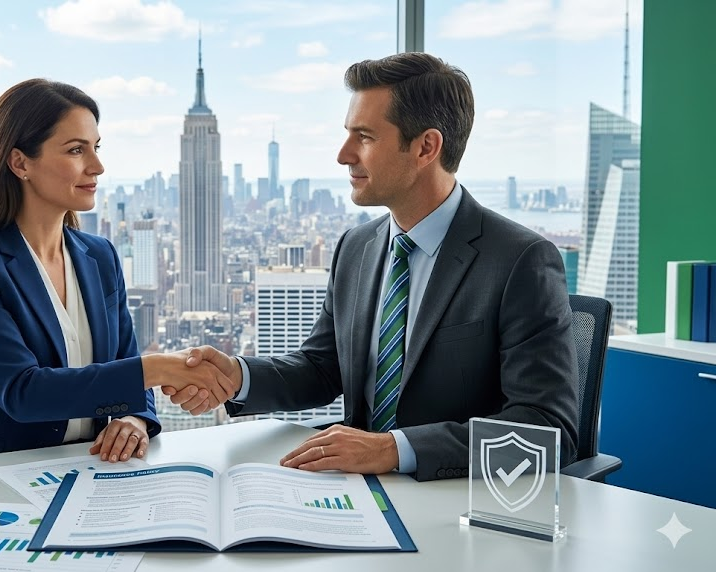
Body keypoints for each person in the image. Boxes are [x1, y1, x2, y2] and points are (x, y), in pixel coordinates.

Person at [168, 53, 579, 481]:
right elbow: (323, 368)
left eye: (363, 137)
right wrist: (239, 376)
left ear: (425, 147)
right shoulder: (357, 246)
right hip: (355, 496)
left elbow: (547, 428)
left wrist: (392, 449)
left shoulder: (519, 261)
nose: (343, 155)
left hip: (452, 507)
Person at [0, 79, 234, 462]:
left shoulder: (100, 255)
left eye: (95, 147)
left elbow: (126, 363)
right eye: (76, 150)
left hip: (88, 466)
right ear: (20, 162)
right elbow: (22, 392)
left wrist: (134, 418)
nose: (97, 166)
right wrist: (161, 367)